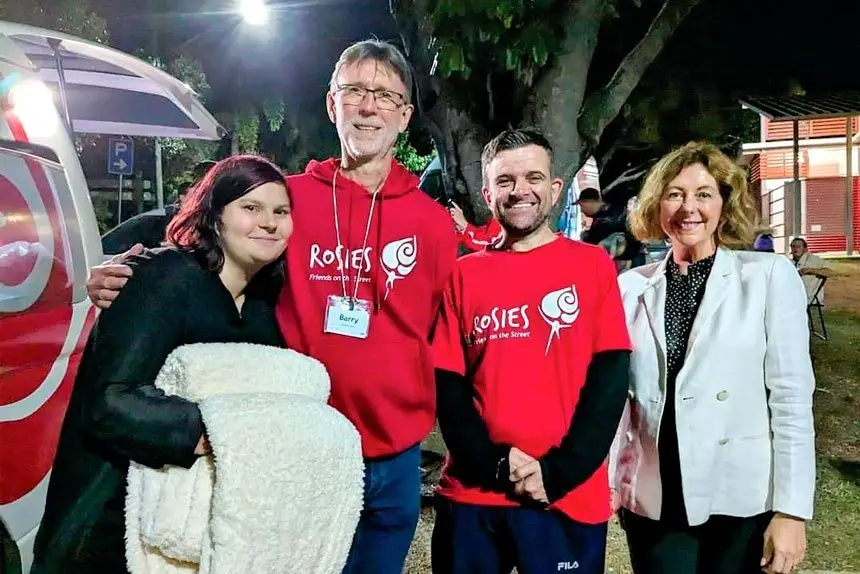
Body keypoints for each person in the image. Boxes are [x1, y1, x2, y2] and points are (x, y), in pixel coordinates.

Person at [85, 39, 458, 574]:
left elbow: (448, 321)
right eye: (354, 91)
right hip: (300, 442)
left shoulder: (433, 223)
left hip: (396, 453)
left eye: (385, 95)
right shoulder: (288, 198)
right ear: (332, 105)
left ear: (404, 115)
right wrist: (120, 264)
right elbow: (200, 219)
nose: (368, 106)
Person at [31, 155, 292, 573]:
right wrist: (225, 431)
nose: (269, 223)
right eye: (251, 207)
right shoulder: (162, 278)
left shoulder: (264, 304)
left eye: (281, 211)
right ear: (215, 216)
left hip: (190, 528)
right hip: (112, 522)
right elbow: (110, 402)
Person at [431, 129, 632, 574]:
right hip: (475, 496)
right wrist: (494, 464)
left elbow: (610, 381)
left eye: (533, 177)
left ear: (555, 189)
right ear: (488, 195)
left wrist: (558, 473)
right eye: (505, 180)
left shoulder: (592, 266)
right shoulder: (464, 275)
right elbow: (448, 387)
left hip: (565, 497)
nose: (520, 190)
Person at [613, 141, 815, 574]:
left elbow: (791, 399)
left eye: (704, 194)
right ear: (657, 205)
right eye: (675, 194)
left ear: (724, 204)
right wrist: (613, 481)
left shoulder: (767, 278)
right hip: (656, 497)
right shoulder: (630, 287)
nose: (689, 208)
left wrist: (792, 511)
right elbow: (618, 400)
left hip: (740, 497)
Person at [577, 187, 645, 271]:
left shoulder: (606, 222)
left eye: (581, 205)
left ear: (590, 201)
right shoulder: (613, 208)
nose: (581, 210)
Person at [789, 236, 833, 304]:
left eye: (798, 246)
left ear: (805, 249)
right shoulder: (789, 262)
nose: (795, 249)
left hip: (810, 302)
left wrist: (811, 270)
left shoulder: (814, 260)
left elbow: (830, 272)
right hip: (793, 301)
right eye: (793, 246)